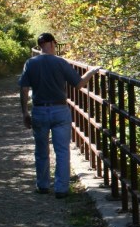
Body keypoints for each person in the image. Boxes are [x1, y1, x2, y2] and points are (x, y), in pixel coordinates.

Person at [18, 32, 99, 198]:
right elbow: (78, 84)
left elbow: (24, 88)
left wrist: (25, 112)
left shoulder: (30, 63)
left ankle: (43, 185)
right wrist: (92, 71)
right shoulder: (60, 62)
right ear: (53, 44)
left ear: (40, 45)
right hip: (60, 110)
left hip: (39, 110)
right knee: (62, 150)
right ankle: (61, 189)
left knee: (41, 150)